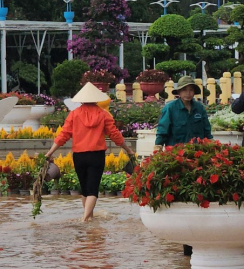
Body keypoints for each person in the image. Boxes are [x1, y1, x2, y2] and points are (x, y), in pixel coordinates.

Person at [44, 82, 135, 222]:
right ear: (96, 99)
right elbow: (115, 135)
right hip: (96, 156)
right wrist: (128, 150)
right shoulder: (103, 114)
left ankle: (89, 217)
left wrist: (50, 152)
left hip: (79, 156)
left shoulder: (74, 114)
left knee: (85, 188)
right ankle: (85, 219)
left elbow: (63, 135)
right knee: (93, 188)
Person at [154, 76, 211, 152]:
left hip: (197, 152)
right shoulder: (170, 108)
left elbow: (207, 131)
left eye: (191, 90)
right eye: (184, 90)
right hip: (175, 153)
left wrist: (211, 144)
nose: (188, 93)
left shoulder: (199, 108)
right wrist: (158, 146)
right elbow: (162, 131)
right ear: (179, 92)